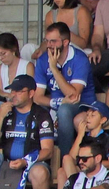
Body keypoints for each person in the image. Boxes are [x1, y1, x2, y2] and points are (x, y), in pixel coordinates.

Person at [34, 22, 95, 159]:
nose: (49, 45)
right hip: (58, 104)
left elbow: (73, 95)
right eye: (47, 41)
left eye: (53, 41)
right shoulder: (43, 59)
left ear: (66, 42)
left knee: (65, 110)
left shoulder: (79, 58)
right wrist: (58, 102)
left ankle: (65, 158)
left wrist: (54, 69)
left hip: (83, 105)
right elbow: (37, 97)